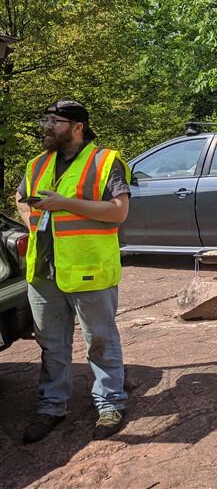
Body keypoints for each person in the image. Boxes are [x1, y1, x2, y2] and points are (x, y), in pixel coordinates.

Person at [15, 100, 131, 443]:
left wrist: (63, 204)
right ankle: (51, 407)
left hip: (89, 269)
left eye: (54, 120)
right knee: (51, 344)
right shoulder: (37, 163)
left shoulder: (105, 161)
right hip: (43, 271)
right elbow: (20, 197)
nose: (46, 126)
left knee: (100, 340)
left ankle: (110, 403)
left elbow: (119, 212)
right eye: (45, 119)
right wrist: (32, 222)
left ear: (77, 126)